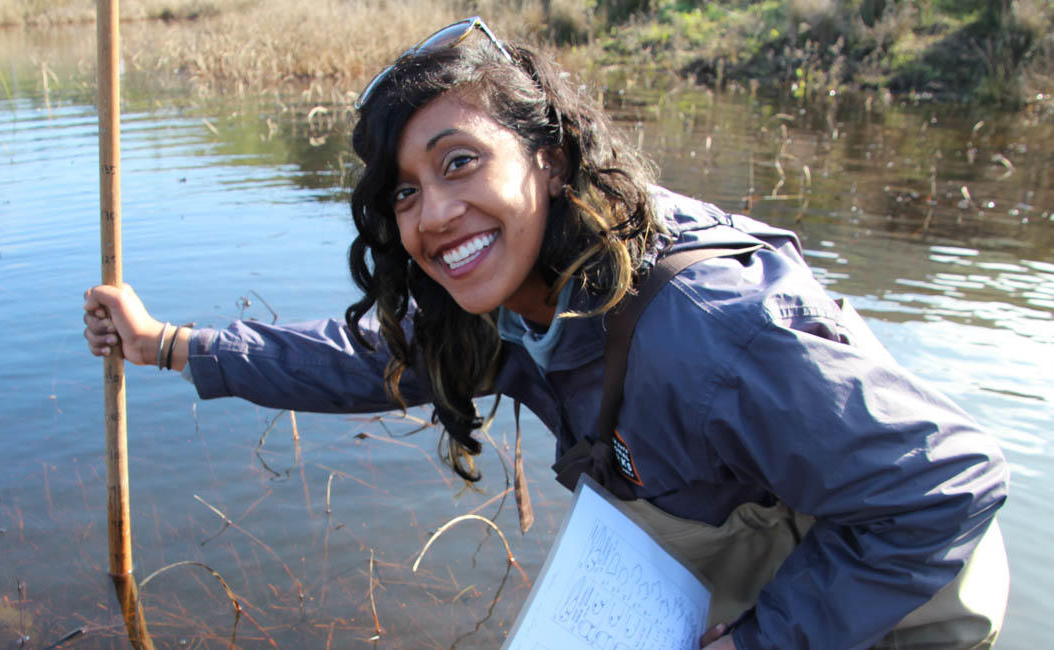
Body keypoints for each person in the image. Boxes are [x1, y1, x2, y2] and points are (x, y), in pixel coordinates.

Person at [83, 17, 1009, 649]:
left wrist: (762, 643)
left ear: (550, 159)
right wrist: (168, 343)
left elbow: (944, 485)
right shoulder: (510, 298)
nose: (434, 213)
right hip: (741, 550)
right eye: (407, 191)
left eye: (459, 163)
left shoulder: (708, 332)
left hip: (890, 594)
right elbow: (367, 358)